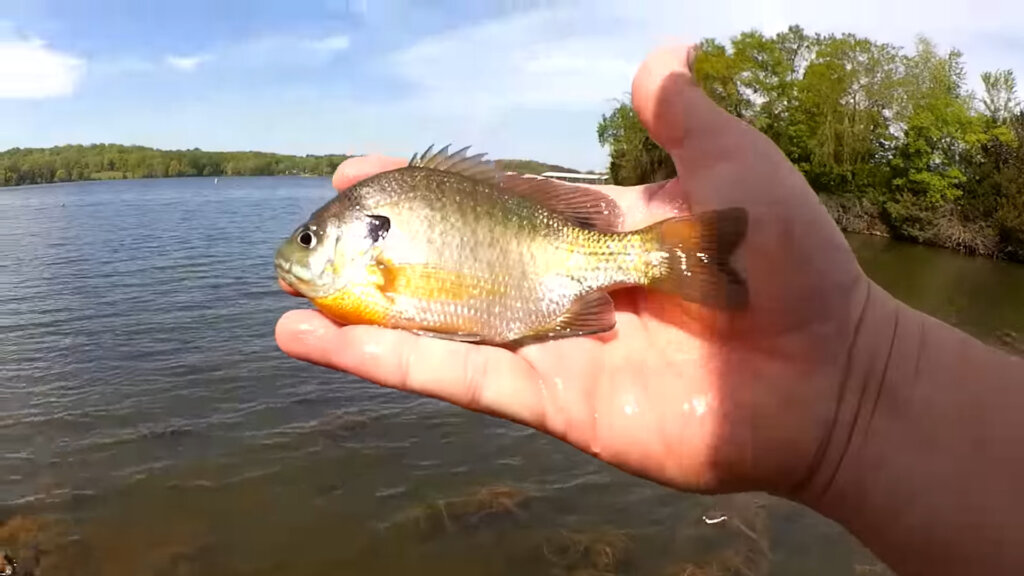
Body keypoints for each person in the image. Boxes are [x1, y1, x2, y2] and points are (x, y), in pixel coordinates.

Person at [274, 45, 1024, 576]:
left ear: (349, 237)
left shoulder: (379, 235)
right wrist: (857, 392)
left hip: (570, 271)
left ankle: (659, 260)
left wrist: (855, 368)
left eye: (311, 240)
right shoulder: (372, 232)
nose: (300, 253)